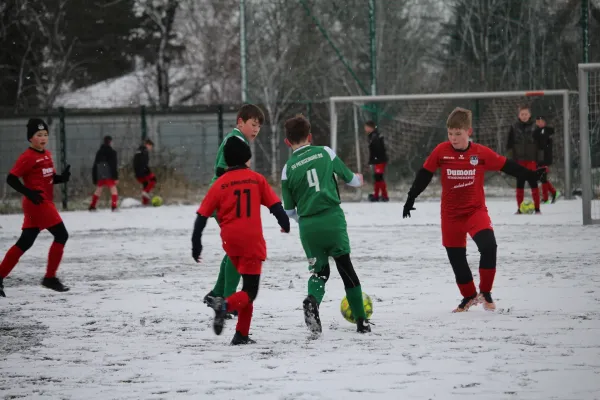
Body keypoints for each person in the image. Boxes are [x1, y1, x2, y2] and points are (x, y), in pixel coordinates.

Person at [402, 107, 542, 312]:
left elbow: (507, 166)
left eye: (458, 134)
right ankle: (468, 296)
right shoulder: (441, 151)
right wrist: (411, 197)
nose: (453, 138)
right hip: (450, 215)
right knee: (457, 258)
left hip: (475, 211)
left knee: (489, 246)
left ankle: (485, 292)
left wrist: (531, 175)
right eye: (450, 134)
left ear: (469, 131)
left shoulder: (480, 153)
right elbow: (425, 173)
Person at [192, 136, 290, 345]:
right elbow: (275, 206)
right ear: (247, 159)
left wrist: (196, 243)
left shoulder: (219, 184)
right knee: (250, 291)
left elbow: (202, 216)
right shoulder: (256, 179)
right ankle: (224, 305)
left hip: (230, 242)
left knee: (246, 288)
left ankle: (241, 335)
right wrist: (285, 223)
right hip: (251, 241)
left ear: (227, 161)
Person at [281, 114, 371, 334]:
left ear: (287, 142)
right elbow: (351, 179)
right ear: (310, 136)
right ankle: (361, 321)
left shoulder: (288, 169)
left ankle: (312, 300)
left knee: (320, 273)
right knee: (345, 268)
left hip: (309, 227)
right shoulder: (325, 152)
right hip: (332, 219)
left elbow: (289, 209)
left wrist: (303, 219)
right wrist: (359, 178)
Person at [203, 104, 265, 313]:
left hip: (223, 199)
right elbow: (222, 168)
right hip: (225, 200)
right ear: (240, 122)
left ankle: (217, 294)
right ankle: (227, 299)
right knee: (239, 251)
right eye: (253, 124)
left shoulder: (238, 139)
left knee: (234, 250)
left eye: (259, 127)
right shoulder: (235, 140)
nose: (256, 129)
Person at [0, 118, 71, 297]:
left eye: (45, 134)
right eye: (39, 135)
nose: (43, 138)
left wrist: (62, 178)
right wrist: (28, 192)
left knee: (25, 242)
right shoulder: (28, 157)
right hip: (38, 204)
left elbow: (49, 178)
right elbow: (11, 178)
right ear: (30, 138)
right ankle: (49, 278)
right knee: (62, 235)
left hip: (41, 202)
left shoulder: (47, 154)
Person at [506, 105, 542, 214]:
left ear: (530, 115)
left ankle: (537, 208)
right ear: (519, 115)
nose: (524, 116)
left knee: (533, 184)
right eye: (522, 114)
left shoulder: (536, 127)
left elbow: (541, 145)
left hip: (531, 161)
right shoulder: (514, 127)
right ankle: (519, 208)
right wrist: (511, 160)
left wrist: (540, 161)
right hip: (519, 161)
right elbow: (509, 144)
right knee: (520, 184)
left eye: (526, 114)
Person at [534, 116, 560, 204]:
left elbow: (545, 145)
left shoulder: (547, 131)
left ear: (545, 122)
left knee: (543, 177)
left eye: (541, 121)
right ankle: (553, 192)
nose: (540, 123)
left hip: (544, 157)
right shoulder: (536, 132)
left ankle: (546, 198)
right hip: (538, 157)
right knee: (541, 177)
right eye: (538, 121)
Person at [89, 135, 119, 211]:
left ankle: (92, 205)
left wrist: (95, 177)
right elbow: (113, 165)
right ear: (110, 142)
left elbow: (95, 164)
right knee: (113, 189)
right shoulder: (112, 152)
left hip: (100, 172)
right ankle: (114, 206)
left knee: (98, 189)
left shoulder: (99, 152)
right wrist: (115, 177)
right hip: (109, 172)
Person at [365, 120, 389, 202]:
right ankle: (379, 195)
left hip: (379, 160)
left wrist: (375, 159)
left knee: (379, 178)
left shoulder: (375, 136)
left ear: (370, 127)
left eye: (366, 127)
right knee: (378, 178)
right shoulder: (373, 136)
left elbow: (378, 149)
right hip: (378, 160)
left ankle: (383, 196)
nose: (365, 129)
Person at [133, 139, 155, 206]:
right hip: (142, 171)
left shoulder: (139, 150)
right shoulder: (144, 151)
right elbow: (143, 162)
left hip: (137, 171)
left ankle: (145, 202)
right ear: (147, 145)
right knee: (153, 179)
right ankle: (145, 193)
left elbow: (135, 161)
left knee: (145, 184)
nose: (151, 149)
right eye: (151, 147)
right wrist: (146, 171)